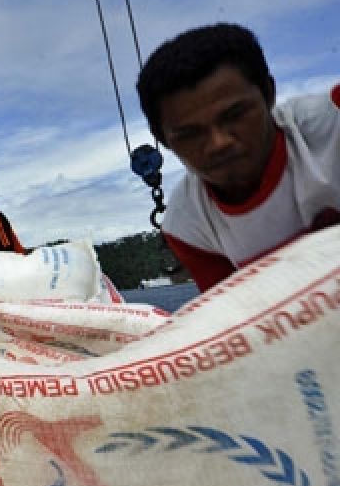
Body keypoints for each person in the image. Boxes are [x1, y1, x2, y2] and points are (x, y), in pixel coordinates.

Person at [136, 22, 340, 292]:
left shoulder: (334, 121)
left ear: (268, 93)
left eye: (235, 115)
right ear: (162, 139)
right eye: (190, 134)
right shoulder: (187, 227)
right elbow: (238, 318)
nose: (218, 143)